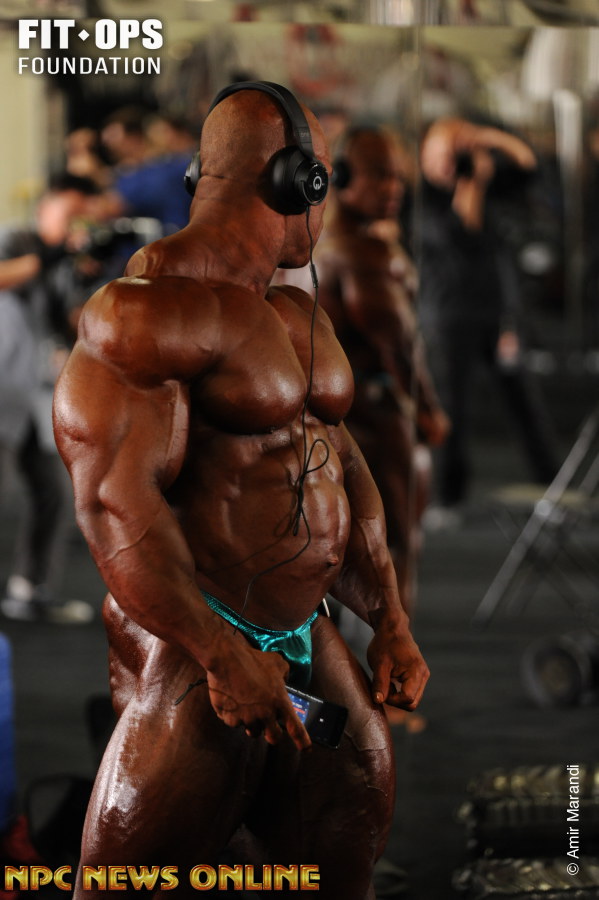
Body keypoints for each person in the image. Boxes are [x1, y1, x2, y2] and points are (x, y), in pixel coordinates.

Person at [53, 83, 429, 899]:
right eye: (322, 175)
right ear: (300, 180)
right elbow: (114, 505)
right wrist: (221, 656)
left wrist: (389, 617)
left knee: (340, 855)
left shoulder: (291, 309)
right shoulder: (146, 312)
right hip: (199, 642)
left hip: (303, 629)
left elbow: (337, 459)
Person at [316, 126, 449, 614]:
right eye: (379, 176)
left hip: (322, 419)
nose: (393, 188)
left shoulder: (313, 243)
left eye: (398, 177)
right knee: (396, 547)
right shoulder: (362, 252)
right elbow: (398, 342)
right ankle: (396, 644)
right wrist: (428, 410)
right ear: (342, 177)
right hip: (372, 414)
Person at [418, 117, 560, 522]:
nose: (449, 163)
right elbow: (463, 230)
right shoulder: (423, 197)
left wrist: (486, 138)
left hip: (497, 313)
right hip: (450, 317)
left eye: (454, 153)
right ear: (426, 155)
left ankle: (553, 490)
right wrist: (472, 184)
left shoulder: (485, 180)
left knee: (524, 403)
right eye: (442, 153)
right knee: (453, 409)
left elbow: (528, 165)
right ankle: (449, 498)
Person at [0, 173, 101, 624]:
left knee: (52, 493)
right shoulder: (12, 238)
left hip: (31, 399)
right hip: (1, 389)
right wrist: (51, 255)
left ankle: (29, 589)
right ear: (46, 205)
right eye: (71, 211)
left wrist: (95, 284)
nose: (77, 222)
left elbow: (69, 324)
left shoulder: (64, 263)